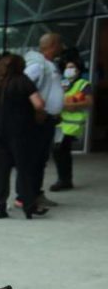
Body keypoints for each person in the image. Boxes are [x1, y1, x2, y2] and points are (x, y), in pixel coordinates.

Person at [0, 54, 47, 219]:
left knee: (0, 173)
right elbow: (38, 104)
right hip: (21, 133)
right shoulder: (23, 81)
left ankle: (0, 208)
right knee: (25, 170)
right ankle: (29, 207)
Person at [24, 33, 64, 206]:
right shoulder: (38, 65)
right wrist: (35, 110)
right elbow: (24, 86)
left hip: (48, 119)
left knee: (41, 159)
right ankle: (29, 195)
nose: (62, 47)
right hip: (39, 120)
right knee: (35, 158)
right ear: (53, 45)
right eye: (60, 44)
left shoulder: (48, 64)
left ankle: (36, 192)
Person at [52, 59, 92, 191]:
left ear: (78, 70)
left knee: (61, 150)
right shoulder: (63, 83)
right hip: (61, 123)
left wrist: (70, 105)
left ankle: (64, 180)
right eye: (67, 67)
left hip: (72, 124)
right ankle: (64, 179)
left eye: (72, 67)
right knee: (60, 152)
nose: (68, 69)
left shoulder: (83, 84)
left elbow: (89, 102)